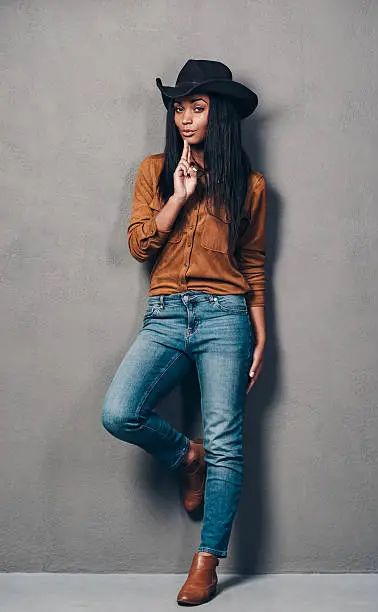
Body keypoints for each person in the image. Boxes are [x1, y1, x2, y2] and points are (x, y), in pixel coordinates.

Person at [101, 59, 267, 605]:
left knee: (226, 442)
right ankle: (184, 458)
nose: (186, 118)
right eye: (180, 108)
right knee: (120, 411)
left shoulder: (250, 185)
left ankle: (207, 560)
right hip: (166, 314)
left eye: (198, 108)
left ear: (217, 115)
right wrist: (177, 196)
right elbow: (139, 247)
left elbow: (254, 262)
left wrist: (261, 331)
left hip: (226, 314)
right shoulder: (154, 170)